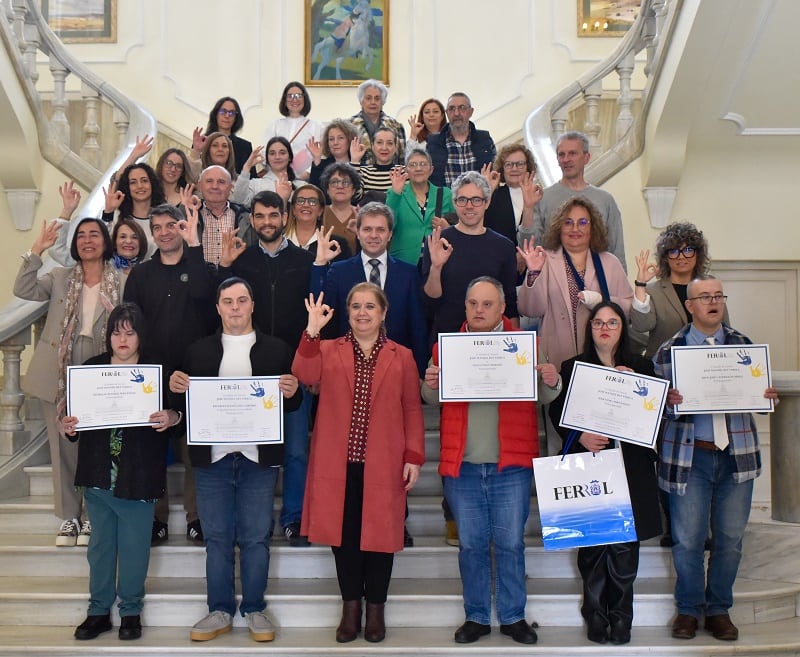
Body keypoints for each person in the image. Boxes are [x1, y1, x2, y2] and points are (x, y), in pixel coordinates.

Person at [421, 277, 560, 645]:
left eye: (487, 304)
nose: (479, 310)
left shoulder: (527, 346)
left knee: (511, 544)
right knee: (471, 546)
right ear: (465, 307)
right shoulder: (445, 350)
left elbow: (545, 395)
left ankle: (514, 616)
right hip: (462, 466)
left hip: (510, 466)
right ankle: (477, 616)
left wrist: (551, 378)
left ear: (502, 308)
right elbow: (430, 399)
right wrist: (430, 383)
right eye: (472, 304)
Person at [169, 277, 302, 643]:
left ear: (253, 305)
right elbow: (185, 410)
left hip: (259, 461)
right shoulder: (197, 351)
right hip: (212, 462)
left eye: (242, 300)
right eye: (228, 301)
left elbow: (291, 405)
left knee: (257, 537)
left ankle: (255, 608)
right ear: (218, 307)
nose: (235, 308)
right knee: (217, 538)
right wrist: (175, 389)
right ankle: (220, 609)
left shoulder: (277, 350)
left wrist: (292, 391)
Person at [293, 285, 425, 643]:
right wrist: (312, 330)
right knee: (345, 539)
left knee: (381, 539)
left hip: (383, 463)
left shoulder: (403, 356)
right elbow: (304, 375)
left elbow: (413, 409)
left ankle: (376, 610)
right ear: (348, 312)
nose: (362, 313)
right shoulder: (326, 348)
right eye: (355, 306)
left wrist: (413, 455)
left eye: (370, 306)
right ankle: (351, 608)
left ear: (383, 313)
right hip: (339, 463)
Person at [653, 275, 778, 642]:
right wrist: (669, 405)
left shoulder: (744, 345)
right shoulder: (667, 352)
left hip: (736, 457)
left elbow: (762, 404)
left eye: (718, 295)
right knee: (688, 541)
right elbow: (651, 411)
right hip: (689, 459)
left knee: (730, 539)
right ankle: (689, 610)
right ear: (690, 306)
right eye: (704, 296)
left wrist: (766, 399)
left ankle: (719, 608)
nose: (713, 301)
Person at [548, 301, 662, 645]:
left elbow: (653, 413)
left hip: (631, 466)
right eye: (598, 322)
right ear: (590, 328)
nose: (605, 328)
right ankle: (595, 616)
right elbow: (556, 411)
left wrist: (638, 390)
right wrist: (579, 434)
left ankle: (622, 617)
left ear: (622, 328)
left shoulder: (641, 365)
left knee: (626, 547)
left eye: (612, 322)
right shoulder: (574, 366)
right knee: (594, 547)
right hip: (591, 465)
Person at [62, 303, 177, 642]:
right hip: (98, 475)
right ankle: (98, 611)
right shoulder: (90, 369)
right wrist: (68, 426)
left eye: (130, 332)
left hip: (138, 477)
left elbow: (176, 416)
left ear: (141, 336)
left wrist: (172, 416)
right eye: (116, 332)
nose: (122, 339)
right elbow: (75, 422)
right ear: (108, 336)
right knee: (99, 547)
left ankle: (130, 612)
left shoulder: (157, 371)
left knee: (134, 548)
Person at [14, 214, 123, 547]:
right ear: (75, 246)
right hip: (59, 366)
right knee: (63, 442)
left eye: (94, 235)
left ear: (105, 242)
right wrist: (37, 249)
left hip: (101, 361)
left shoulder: (121, 280)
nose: (88, 240)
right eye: (81, 236)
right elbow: (23, 288)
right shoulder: (60, 277)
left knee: (98, 442)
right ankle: (69, 517)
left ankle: (93, 514)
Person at [218, 190, 317, 547]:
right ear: (253, 220)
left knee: (295, 449)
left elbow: (318, 316)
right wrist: (226, 267)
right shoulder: (242, 263)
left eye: (273, 215)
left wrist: (312, 366)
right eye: (260, 216)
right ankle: (250, 520)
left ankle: (293, 517)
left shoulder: (305, 261)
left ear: (284, 216)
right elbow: (223, 308)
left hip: (293, 370)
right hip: (249, 369)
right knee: (247, 448)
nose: (267, 222)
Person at [123, 201, 218, 544]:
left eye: (170, 225)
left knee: (196, 451)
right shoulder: (141, 274)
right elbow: (130, 323)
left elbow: (204, 296)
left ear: (182, 228)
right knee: (150, 451)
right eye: (157, 227)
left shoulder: (202, 267)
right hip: (150, 375)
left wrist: (194, 245)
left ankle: (197, 517)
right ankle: (155, 518)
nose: (164, 232)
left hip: (196, 375)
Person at [631, 223, 729, 546]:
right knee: (667, 456)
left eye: (688, 249)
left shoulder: (709, 288)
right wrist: (641, 288)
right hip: (666, 386)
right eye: (674, 250)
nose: (681, 256)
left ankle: (706, 525)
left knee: (703, 459)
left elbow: (726, 335)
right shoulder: (657, 290)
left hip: (707, 389)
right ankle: (673, 523)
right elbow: (642, 327)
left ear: (698, 254)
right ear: (665, 255)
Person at [310, 201, 429, 377]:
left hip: (396, 370)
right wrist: (320, 263)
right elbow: (319, 312)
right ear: (357, 232)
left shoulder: (409, 273)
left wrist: (419, 374)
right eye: (367, 229)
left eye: (380, 230)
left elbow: (417, 327)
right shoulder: (339, 270)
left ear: (390, 234)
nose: (374, 235)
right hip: (347, 369)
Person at [517, 196, 632, 371]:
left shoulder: (610, 262)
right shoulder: (545, 260)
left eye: (583, 222)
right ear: (559, 227)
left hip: (603, 360)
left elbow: (629, 310)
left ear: (593, 227)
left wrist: (602, 299)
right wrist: (533, 273)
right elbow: (530, 310)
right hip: (557, 358)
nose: (575, 228)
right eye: (568, 222)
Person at [421, 171, 519, 342]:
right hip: (447, 338)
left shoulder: (504, 246)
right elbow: (429, 303)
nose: (469, 206)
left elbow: (509, 304)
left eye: (476, 200)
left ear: (486, 203)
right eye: (462, 200)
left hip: (493, 342)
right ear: (454, 203)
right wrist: (436, 268)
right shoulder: (439, 241)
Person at [521, 131, 626, 270]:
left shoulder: (605, 199)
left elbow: (616, 250)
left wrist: (621, 286)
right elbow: (530, 246)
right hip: (554, 279)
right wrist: (528, 208)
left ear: (586, 157)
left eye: (572, 153)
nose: (566, 159)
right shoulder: (543, 197)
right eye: (561, 154)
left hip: (597, 280)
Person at [385, 148, 454, 266]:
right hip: (403, 261)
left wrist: (447, 227)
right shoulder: (396, 193)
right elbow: (388, 225)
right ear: (406, 170)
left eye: (423, 164)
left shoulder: (445, 194)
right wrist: (396, 194)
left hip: (437, 261)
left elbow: (459, 225)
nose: (418, 168)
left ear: (431, 169)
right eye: (413, 165)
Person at [427, 93, 496, 188]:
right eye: (452, 109)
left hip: (478, 201)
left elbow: (494, 172)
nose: (456, 113)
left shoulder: (484, 139)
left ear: (470, 112)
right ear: (447, 113)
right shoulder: (433, 143)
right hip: (445, 201)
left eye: (462, 108)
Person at [484, 144, 543, 252]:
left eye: (520, 164)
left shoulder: (539, 195)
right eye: (509, 164)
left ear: (528, 167)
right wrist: (485, 192)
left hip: (536, 260)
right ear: (502, 169)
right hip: (500, 260)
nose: (514, 168)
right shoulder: (492, 195)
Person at [102, 163, 166, 259]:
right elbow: (102, 244)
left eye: (144, 181)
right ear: (127, 187)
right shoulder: (117, 215)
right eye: (133, 182)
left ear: (152, 184)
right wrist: (108, 211)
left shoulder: (164, 217)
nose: (139, 186)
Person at [262, 81, 322, 177]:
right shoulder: (274, 125)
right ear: (285, 100)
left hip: (304, 179)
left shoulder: (315, 126)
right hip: (276, 177)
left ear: (305, 99)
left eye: (299, 96)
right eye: (290, 96)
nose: (294, 100)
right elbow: (265, 152)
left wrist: (308, 173)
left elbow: (320, 154)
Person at [285, 184, 352, 262]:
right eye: (300, 201)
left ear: (320, 210)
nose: (306, 205)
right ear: (293, 209)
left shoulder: (337, 244)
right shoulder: (280, 241)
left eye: (313, 201)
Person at [350, 79, 406, 165]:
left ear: (383, 102)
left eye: (377, 98)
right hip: (358, 175)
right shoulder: (349, 126)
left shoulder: (395, 126)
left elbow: (402, 158)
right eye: (368, 98)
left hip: (391, 176)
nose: (373, 102)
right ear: (361, 101)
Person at [190, 96, 252, 175]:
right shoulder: (202, 141)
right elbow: (190, 175)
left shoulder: (245, 146)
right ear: (216, 114)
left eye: (231, 113)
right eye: (223, 111)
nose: (227, 116)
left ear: (236, 117)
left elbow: (250, 180)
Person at [232, 136, 298, 209]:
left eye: (282, 153)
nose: (277, 157)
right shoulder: (255, 184)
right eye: (272, 153)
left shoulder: (301, 185)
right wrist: (247, 167)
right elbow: (238, 200)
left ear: (290, 157)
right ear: (267, 158)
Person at [319, 162, 361, 254]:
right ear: (327, 189)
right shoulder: (319, 213)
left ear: (354, 190)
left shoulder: (362, 215)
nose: (340, 186)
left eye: (346, 182)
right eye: (334, 182)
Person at [308, 119, 360, 191]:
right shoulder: (320, 165)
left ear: (351, 140)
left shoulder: (360, 165)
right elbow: (314, 192)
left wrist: (355, 162)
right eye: (331, 139)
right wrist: (316, 159)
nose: (335, 143)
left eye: (340, 138)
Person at [351, 126, 400, 199]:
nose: (384, 148)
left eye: (389, 143)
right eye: (379, 142)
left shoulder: (403, 172)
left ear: (395, 147)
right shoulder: (364, 172)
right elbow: (354, 197)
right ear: (372, 146)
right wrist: (354, 160)